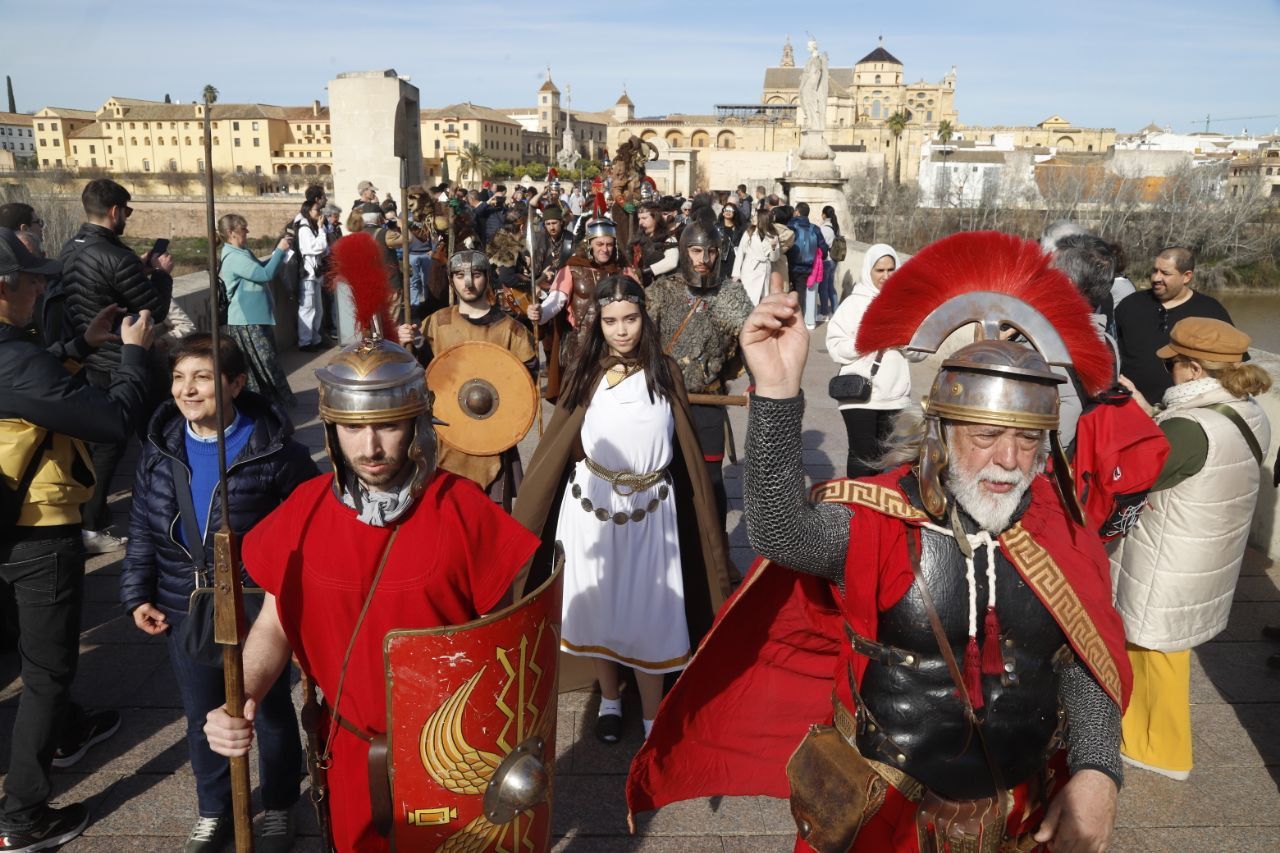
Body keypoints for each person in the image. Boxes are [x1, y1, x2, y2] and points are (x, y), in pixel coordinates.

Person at [629, 232, 1133, 853]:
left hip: (1019, 810)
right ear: (939, 431)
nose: (1007, 460)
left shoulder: (1061, 530)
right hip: (882, 804)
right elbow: (781, 529)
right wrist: (780, 392)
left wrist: (1097, 770)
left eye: (1026, 439)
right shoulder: (882, 516)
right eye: (984, 435)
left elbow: (1084, 660)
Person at [203, 262, 540, 852]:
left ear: (415, 424)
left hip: (453, 761)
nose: (372, 447)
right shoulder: (303, 513)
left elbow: (509, 648)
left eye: (387, 426)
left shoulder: (463, 510)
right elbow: (276, 625)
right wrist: (243, 698)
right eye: (354, 430)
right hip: (348, 747)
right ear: (331, 431)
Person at [120, 333, 317, 852]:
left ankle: (277, 805)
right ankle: (215, 810)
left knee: (266, 708)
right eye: (180, 377)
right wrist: (137, 590)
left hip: (255, 604)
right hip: (184, 602)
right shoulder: (160, 446)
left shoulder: (276, 451)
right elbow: (141, 523)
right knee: (201, 710)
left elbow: (311, 527)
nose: (188, 390)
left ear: (235, 383)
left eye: (203, 378)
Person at [514, 275, 730, 742]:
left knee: (651, 611)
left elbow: (685, 448)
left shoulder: (665, 371)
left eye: (630, 319)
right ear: (599, 324)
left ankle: (654, 717)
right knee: (598, 609)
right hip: (593, 511)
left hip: (652, 513)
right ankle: (610, 700)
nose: (621, 330)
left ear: (643, 318)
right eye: (610, 321)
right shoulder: (587, 370)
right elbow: (565, 440)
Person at [0, 236, 156, 852]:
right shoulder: (14, 358)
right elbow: (112, 420)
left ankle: (70, 732)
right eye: (32, 280)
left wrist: (76, 346)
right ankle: (23, 816)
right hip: (37, 530)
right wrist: (135, 357)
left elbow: (25, 392)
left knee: (25, 649)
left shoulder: (16, 354)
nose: (43, 289)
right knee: (46, 671)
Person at [1112, 317, 1271, 782]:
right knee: (1162, 648)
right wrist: (1155, 414)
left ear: (1196, 370)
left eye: (1175, 364)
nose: (1169, 373)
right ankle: (1144, 735)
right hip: (1201, 550)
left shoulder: (1191, 426)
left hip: (1168, 553)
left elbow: (1143, 474)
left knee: (1154, 649)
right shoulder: (1245, 409)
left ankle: (1161, 749)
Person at [59, 178, 174, 553]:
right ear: (114, 211)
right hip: (121, 359)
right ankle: (105, 522)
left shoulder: (69, 248)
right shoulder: (115, 256)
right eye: (127, 211)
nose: (127, 217)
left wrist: (135, 268)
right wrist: (161, 276)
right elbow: (152, 311)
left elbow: (97, 289)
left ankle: (91, 520)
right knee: (148, 435)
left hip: (86, 355)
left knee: (100, 445)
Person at [396, 250, 536, 507]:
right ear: (451, 280)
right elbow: (418, 379)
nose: (468, 283)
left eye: (476, 274)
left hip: (493, 438)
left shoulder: (511, 330)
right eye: (460, 275)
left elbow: (524, 387)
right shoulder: (436, 324)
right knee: (447, 515)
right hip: (446, 437)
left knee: (492, 524)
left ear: (488, 278)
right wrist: (408, 347)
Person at [646, 221, 753, 538]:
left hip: (709, 401)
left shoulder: (731, 295)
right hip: (666, 400)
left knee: (711, 483)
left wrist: (757, 383)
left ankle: (716, 554)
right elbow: (643, 340)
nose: (703, 258)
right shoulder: (663, 293)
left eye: (710, 251)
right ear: (683, 252)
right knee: (666, 478)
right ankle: (671, 550)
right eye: (695, 250)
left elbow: (752, 339)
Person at [826, 244, 909, 478]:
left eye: (891, 270)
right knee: (862, 458)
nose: (885, 276)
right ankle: (857, 510)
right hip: (860, 394)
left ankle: (874, 511)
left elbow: (920, 351)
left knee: (882, 461)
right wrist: (868, 341)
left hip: (894, 396)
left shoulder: (905, 305)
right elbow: (834, 346)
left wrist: (902, 342)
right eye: (879, 270)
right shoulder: (853, 304)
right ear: (868, 271)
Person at [1115, 246, 1231, 405]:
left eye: (1165, 273)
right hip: (1130, 405)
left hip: (1187, 408)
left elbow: (1233, 363)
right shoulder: (1130, 304)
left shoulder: (1211, 310)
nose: (1156, 278)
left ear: (1187, 276)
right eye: (1154, 271)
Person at [528, 217, 623, 400]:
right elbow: (556, 301)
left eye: (610, 244)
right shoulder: (572, 268)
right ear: (589, 244)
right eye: (600, 244)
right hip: (579, 346)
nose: (605, 249)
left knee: (610, 400)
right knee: (579, 402)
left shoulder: (622, 270)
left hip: (614, 348)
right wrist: (540, 313)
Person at [782, 202, 828, 330]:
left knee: (787, 291)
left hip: (790, 264)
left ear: (797, 212)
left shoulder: (790, 226)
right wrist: (820, 257)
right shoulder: (815, 229)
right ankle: (798, 320)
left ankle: (787, 318)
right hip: (807, 266)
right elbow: (824, 248)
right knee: (801, 294)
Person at [730, 207, 784, 306]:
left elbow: (774, 258)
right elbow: (740, 253)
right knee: (748, 299)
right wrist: (736, 274)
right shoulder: (749, 232)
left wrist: (773, 247)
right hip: (749, 270)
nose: (753, 217)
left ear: (762, 218)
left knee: (762, 300)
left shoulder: (773, 235)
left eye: (755, 216)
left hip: (764, 270)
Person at [295, 199, 328, 352]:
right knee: (308, 309)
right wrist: (321, 229)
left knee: (318, 309)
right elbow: (318, 247)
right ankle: (305, 342)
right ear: (308, 211)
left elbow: (324, 249)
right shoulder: (304, 229)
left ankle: (315, 339)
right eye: (316, 210)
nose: (319, 213)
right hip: (307, 275)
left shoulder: (311, 227)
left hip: (315, 275)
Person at [630, 201, 678, 286]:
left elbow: (671, 262)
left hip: (664, 287)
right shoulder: (638, 240)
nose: (640, 222)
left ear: (655, 218)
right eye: (639, 219)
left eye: (644, 218)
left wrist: (644, 272)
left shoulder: (669, 239)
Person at [817, 205, 841, 319]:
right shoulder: (835, 227)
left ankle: (824, 313)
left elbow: (821, 245)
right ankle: (836, 310)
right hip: (834, 260)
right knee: (831, 286)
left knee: (823, 287)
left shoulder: (824, 229)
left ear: (824, 215)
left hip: (826, 260)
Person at [717, 201, 745, 276]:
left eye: (731, 211)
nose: (728, 212)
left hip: (734, 259)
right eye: (726, 210)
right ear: (723, 212)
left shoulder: (739, 229)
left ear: (734, 213)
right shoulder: (716, 227)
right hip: (719, 258)